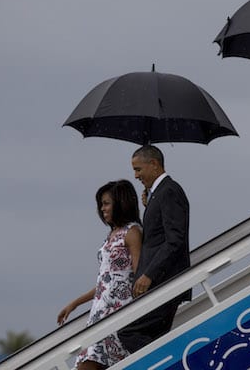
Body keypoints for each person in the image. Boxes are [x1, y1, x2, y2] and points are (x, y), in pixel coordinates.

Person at [57, 180, 142, 370]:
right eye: (101, 204)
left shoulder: (132, 232)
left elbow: (138, 274)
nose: (102, 209)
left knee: (88, 364)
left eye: (106, 203)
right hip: (100, 312)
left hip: (117, 313)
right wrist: (75, 303)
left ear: (120, 203)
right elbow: (106, 281)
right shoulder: (113, 234)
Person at [117, 145, 191, 353]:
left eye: (138, 169)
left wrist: (149, 274)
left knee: (128, 331)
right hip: (159, 282)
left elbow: (174, 239)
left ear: (154, 165)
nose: (136, 175)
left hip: (163, 281)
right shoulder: (159, 194)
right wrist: (149, 204)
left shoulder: (169, 191)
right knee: (152, 337)